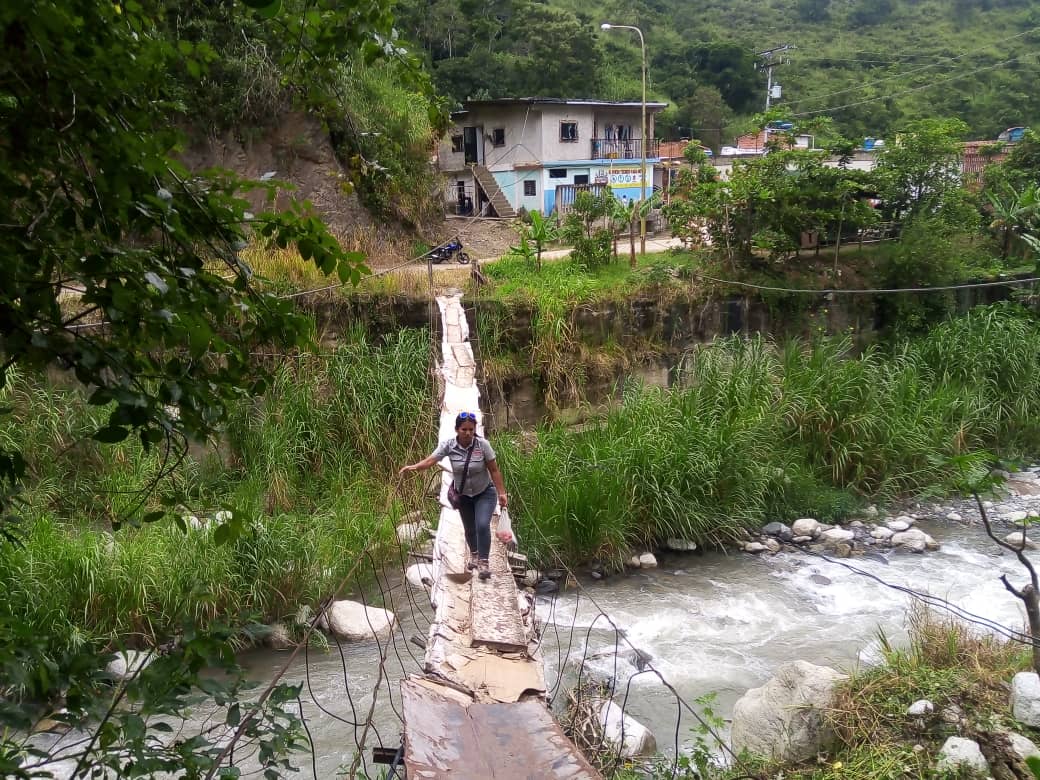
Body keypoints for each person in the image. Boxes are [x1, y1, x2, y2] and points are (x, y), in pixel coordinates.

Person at [398, 411, 507, 579]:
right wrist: (413, 467)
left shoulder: (482, 445)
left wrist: (502, 493)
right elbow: (430, 461)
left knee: (482, 525)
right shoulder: (448, 445)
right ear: (457, 429)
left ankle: (484, 563)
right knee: (470, 529)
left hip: (484, 492)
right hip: (463, 495)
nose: (468, 433)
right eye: (464, 429)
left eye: (471, 429)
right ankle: (475, 555)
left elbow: (494, 470)